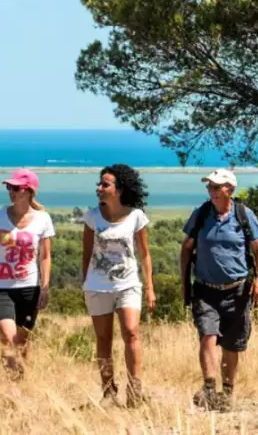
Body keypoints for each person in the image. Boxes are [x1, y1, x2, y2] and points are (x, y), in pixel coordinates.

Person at [180, 168, 258, 412]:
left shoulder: (243, 215)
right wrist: (184, 282)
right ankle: (209, 388)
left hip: (237, 291)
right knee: (207, 335)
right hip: (205, 290)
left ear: (230, 189)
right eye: (210, 187)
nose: (212, 191)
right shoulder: (201, 214)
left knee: (231, 344)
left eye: (217, 187)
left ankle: (227, 393)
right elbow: (186, 247)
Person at [81, 164, 155, 407]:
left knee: (131, 332)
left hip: (128, 284)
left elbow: (145, 255)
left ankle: (135, 389)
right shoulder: (92, 216)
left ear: (119, 189)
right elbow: (86, 253)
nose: (99, 188)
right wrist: (85, 284)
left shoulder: (136, 216)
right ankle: (108, 391)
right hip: (98, 286)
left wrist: (150, 287)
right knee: (103, 339)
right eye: (99, 183)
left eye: (105, 184)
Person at [0, 168, 56, 379]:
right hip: (0, 289)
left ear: (29, 191)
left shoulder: (43, 219)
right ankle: (14, 387)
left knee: (22, 343)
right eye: (9, 187)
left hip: (30, 289)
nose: (11, 191)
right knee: (8, 338)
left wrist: (45, 288)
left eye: (16, 188)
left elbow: (45, 256)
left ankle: (23, 382)